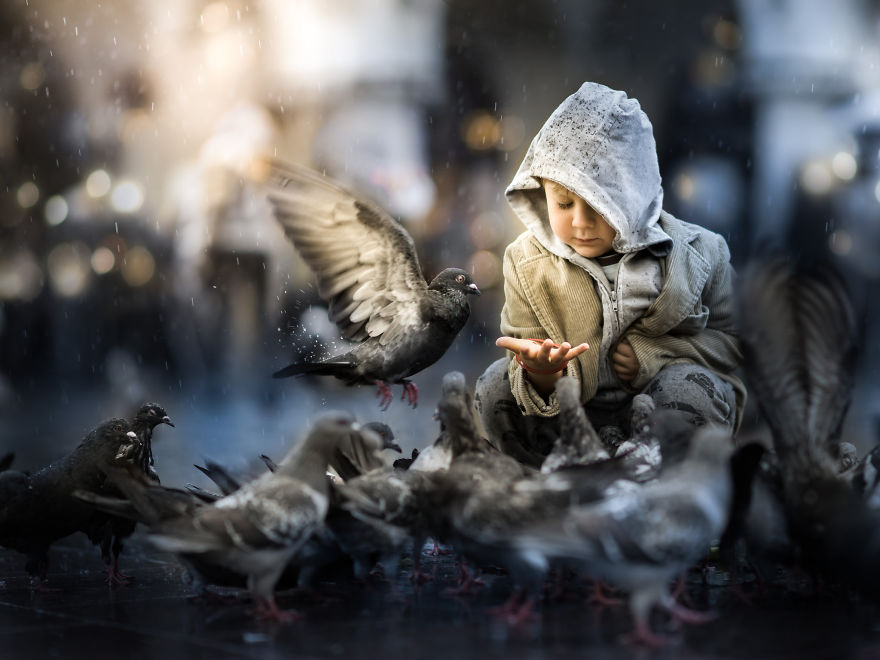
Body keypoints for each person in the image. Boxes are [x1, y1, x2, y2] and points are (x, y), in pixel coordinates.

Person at [475, 82, 745, 468]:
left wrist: (653, 355)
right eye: (563, 204)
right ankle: (550, 472)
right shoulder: (525, 261)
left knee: (688, 389)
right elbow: (525, 345)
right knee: (494, 386)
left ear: (637, 194)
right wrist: (543, 374)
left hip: (662, 411)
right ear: (541, 192)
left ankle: (665, 469)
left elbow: (734, 341)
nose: (580, 223)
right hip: (571, 416)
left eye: (601, 206)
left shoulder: (702, 252)